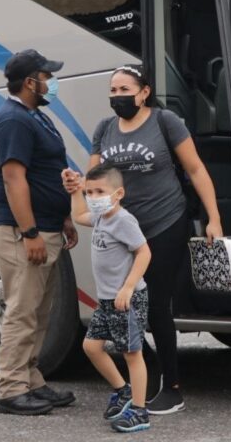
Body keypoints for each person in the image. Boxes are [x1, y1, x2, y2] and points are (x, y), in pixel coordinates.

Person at [64, 64, 223, 414]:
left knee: (155, 305)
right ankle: (147, 368)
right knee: (122, 305)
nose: (118, 96)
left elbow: (195, 169)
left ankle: (173, 388)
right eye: (113, 90)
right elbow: (94, 178)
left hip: (164, 222)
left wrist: (214, 217)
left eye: (125, 90)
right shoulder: (105, 129)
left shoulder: (165, 122)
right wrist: (76, 191)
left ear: (144, 92)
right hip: (122, 228)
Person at [0, 49, 79, 416]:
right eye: (47, 76)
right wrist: (29, 232)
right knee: (22, 311)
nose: (52, 82)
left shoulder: (34, 116)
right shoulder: (12, 121)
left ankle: (31, 380)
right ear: (29, 82)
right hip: (19, 231)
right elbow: (14, 180)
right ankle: (11, 389)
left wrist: (64, 217)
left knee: (40, 311)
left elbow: (48, 171)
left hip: (47, 225)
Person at [68, 163, 152, 433]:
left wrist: (128, 287)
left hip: (126, 300)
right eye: (90, 192)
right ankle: (122, 390)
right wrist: (76, 191)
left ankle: (140, 411)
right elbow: (79, 214)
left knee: (132, 353)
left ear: (118, 193)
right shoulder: (100, 218)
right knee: (91, 347)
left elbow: (144, 252)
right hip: (106, 301)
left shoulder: (123, 221)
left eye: (99, 192)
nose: (93, 198)